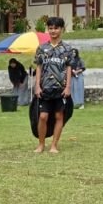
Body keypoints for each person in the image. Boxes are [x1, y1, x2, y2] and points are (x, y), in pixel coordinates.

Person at [33, 17, 73, 154]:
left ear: (62, 29)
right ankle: (41, 144)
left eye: (56, 28)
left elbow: (68, 68)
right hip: (45, 88)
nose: (53, 31)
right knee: (43, 116)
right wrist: (37, 85)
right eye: (50, 28)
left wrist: (68, 87)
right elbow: (38, 67)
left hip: (60, 89)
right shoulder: (42, 48)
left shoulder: (67, 49)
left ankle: (54, 145)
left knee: (58, 116)